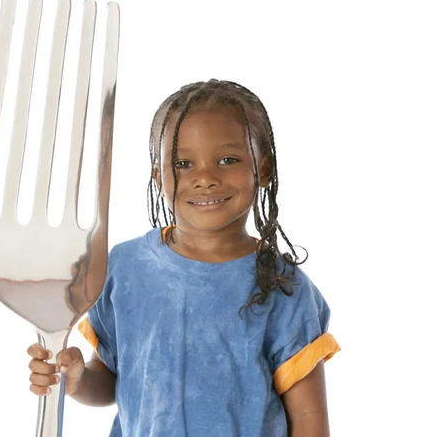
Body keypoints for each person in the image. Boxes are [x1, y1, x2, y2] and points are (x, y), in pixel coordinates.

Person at [27, 79, 341, 436]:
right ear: (159, 176)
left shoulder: (283, 286)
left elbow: (309, 417)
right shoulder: (124, 269)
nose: (205, 178)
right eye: (183, 163)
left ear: (264, 168)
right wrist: (78, 379)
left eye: (228, 159)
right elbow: (114, 380)